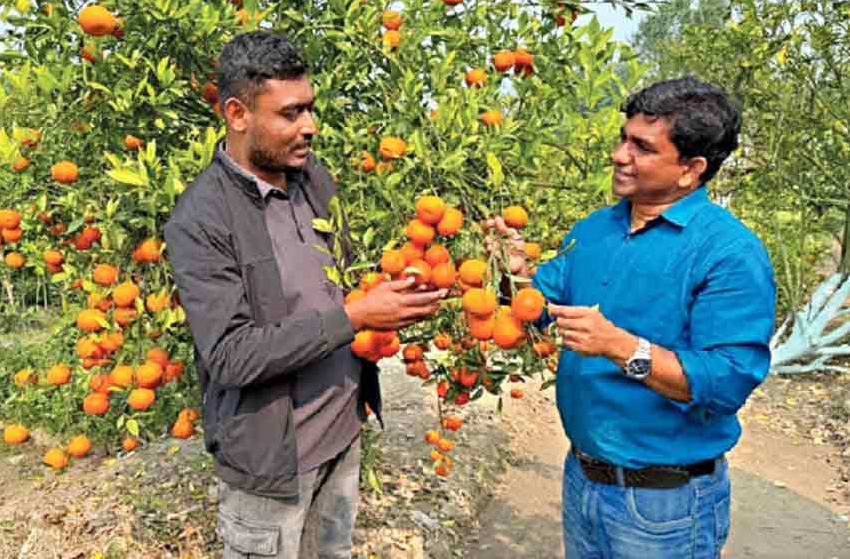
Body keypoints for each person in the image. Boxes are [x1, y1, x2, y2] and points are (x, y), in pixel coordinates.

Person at [164, 31, 445, 558]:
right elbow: (229, 356)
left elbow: (336, 283)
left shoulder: (314, 180)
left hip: (342, 438)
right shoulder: (201, 219)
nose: (309, 127)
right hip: (274, 468)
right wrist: (356, 314)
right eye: (291, 114)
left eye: (310, 110)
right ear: (237, 114)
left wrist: (396, 293)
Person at [490, 77, 776, 558]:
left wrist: (622, 347)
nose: (620, 155)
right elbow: (539, 307)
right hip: (583, 479)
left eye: (641, 147)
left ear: (691, 169)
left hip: (665, 505)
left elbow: (726, 382)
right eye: (623, 138)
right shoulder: (596, 230)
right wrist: (514, 275)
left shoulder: (728, 253)